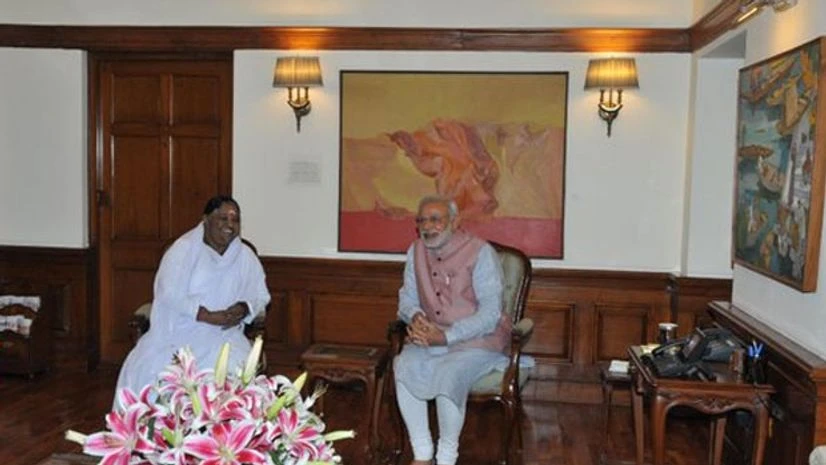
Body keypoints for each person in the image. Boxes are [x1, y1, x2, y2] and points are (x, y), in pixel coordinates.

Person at [114, 195, 271, 401]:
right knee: (152, 371)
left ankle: (223, 429)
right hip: (180, 331)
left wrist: (243, 308)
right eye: (223, 218)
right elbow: (168, 292)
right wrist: (206, 316)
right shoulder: (183, 249)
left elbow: (260, 294)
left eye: (235, 220)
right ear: (205, 219)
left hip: (225, 335)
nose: (230, 225)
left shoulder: (244, 256)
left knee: (234, 370)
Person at [394, 195, 508, 465]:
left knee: (449, 374)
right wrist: (416, 316)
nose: (428, 226)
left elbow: (491, 313)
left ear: (454, 221)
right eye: (422, 220)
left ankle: (447, 457)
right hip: (431, 339)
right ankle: (421, 454)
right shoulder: (416, 251)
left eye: (436, 219)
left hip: (478, 341)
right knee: (403, 365)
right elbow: (406, 298)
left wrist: (447, 336)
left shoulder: (480, 252)